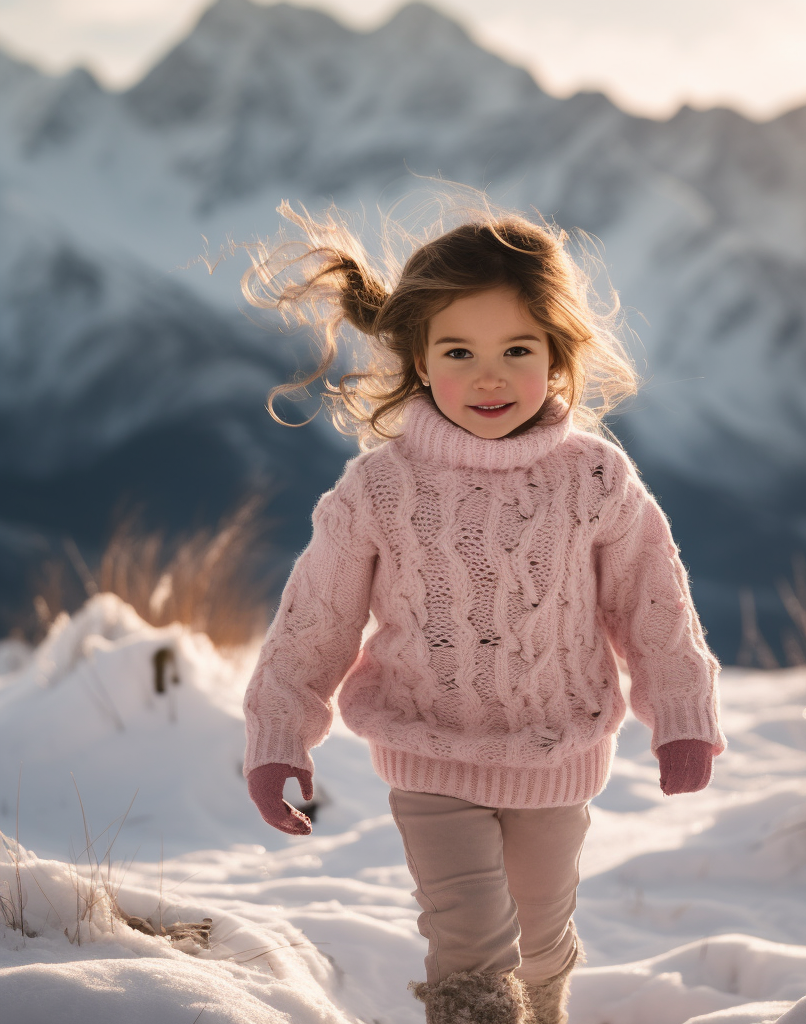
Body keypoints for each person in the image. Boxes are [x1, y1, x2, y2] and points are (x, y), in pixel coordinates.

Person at [241, 197, 726, 1024]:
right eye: (459, 351)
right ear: (420, 360)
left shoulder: (594, 480)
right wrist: (280, 731)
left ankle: (546, 997)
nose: (489, 376)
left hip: (556, 749)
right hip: (429, 750)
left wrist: (680, 709)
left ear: (559, 355)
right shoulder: (381, 489)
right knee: (469, 945)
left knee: (538, 936)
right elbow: (317, 616)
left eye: (518, 349)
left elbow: (652, 597)